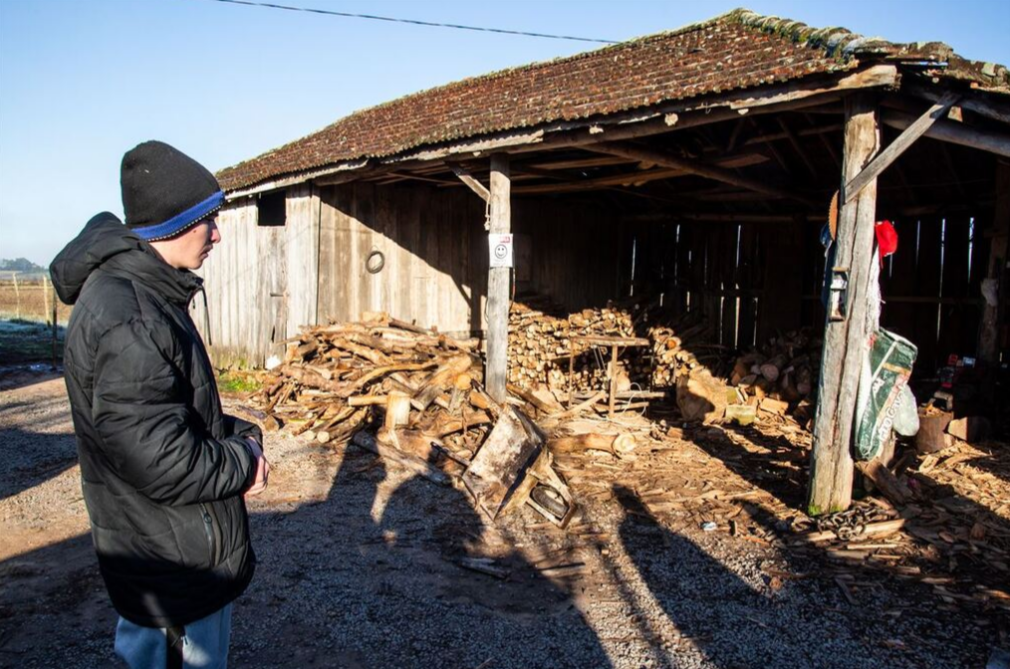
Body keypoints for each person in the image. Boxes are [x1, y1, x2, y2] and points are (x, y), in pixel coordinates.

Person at [50, 140, 270, 669]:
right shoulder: (130, 316)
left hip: (164, 548)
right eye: (206, 221)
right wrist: (243, 462)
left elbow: (163, 411)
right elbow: (161, 458)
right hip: (173, 563)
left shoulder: (140, 294)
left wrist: (237, 431)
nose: (217, 234)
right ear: (173, 224)